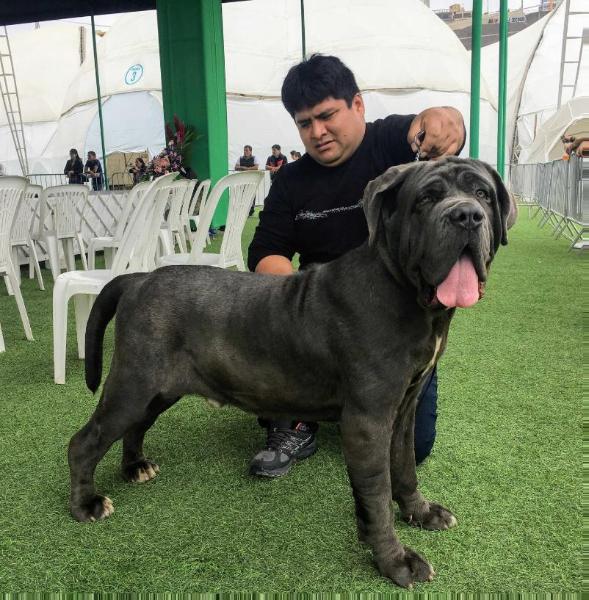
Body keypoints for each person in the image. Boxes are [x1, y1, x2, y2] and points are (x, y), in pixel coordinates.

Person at [247, 54, 465, 478]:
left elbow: (437, 123)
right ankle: (296, 417)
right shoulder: (291, 181)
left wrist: (446, 118)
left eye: (327, 116)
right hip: (324, 324)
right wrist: (300, 304)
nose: (318, 132)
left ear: (358, 105)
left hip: (401, 323)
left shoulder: (394, 145)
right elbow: (265, 253)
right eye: (304, 123)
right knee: (271, 320)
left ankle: (343, 402)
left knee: (413, 447)